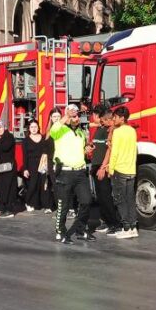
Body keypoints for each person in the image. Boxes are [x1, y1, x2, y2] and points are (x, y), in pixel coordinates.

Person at [51, 103, 93, 245]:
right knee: (63, 205)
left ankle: (80, 229)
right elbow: (53, 131)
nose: (76, 118)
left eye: (77, 116)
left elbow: (81, 150)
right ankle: (60, 231)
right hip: (65, 172)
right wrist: (66, 116)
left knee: (86, 201)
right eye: (73, 115)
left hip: (80, 172)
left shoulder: (81, 133)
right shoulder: (60, 129)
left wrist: (87, 150)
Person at [107, 106, 140, 239]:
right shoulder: (132, 131)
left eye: (115, 117)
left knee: (120, 200)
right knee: (130, 199)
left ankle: (126, 228)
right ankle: (133, 227)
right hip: (131, 170)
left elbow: (115, 152)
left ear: (122, 118)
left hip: (120, 169)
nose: (113, 119)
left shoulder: (118, 132)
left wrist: (111, 169)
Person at [90, 105, 121, 235]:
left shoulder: (111, 131)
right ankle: (106, 222)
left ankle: (115, 224)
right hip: (95, 166)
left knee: (106, 197)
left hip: (102, 167)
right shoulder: (99, 129)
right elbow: (96, 145)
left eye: (95, 115)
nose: (93, 118)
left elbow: (110, 150)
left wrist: (103, 167)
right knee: (101, 198)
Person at [21, 119, 50, 213]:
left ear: (38, 128)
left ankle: (46, 205)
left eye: (35, 127)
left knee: (44, 184)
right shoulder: (25, 141)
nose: (34, 129)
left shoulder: (43, 138)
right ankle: (28, 202)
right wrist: (25, 169)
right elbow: (25, 156)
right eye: (32, 127)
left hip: (42, 164)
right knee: (33, 185)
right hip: (31, 165)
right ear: (29, 128)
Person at [0, 120, 18, 218]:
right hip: (1, 167)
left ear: (4, 127)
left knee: (9, 188)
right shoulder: (1, 138)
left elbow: (5, 147)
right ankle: (4, 208)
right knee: (3, 188)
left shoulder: (9, 136)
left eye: (0, 127)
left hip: (9, 167)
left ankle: (9, 210)